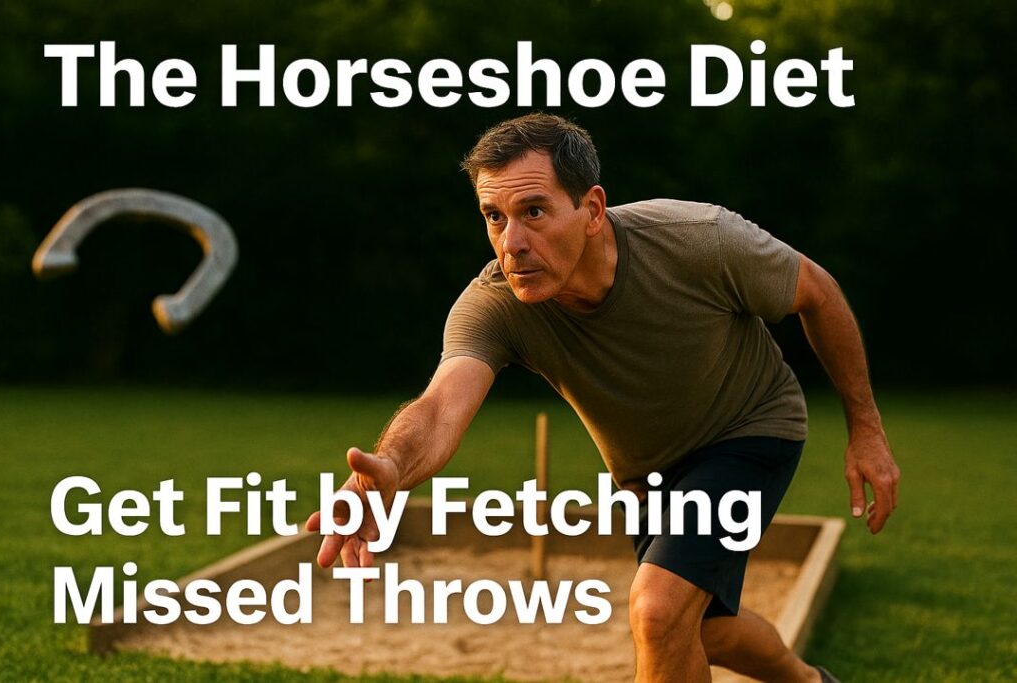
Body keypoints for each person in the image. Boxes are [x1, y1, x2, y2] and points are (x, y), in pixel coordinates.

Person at [306, 113, 900, 683]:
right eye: (493, 216)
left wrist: (866, 429)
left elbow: (818, 293)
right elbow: (438, 408)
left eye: (533, 211)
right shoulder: (496, 302)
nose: (511, 242)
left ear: (590, 209)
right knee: (704, 631)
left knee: (658, 610)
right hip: (647, 474)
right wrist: (386, 470)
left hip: (749, 429)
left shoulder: (696, 239)